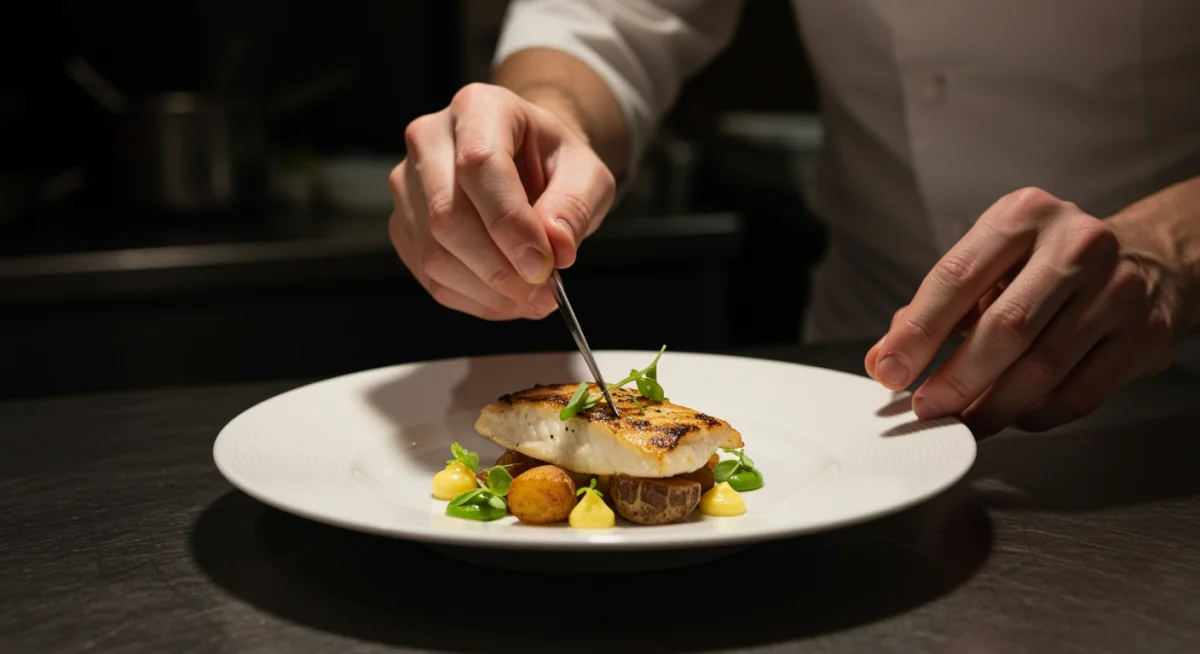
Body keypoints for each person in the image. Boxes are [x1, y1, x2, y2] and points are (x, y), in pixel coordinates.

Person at [388, 0, 1200, 436]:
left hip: (1159, 399)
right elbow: (607, 20)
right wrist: (537, 122)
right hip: (862, 380)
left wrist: (1172, 245)